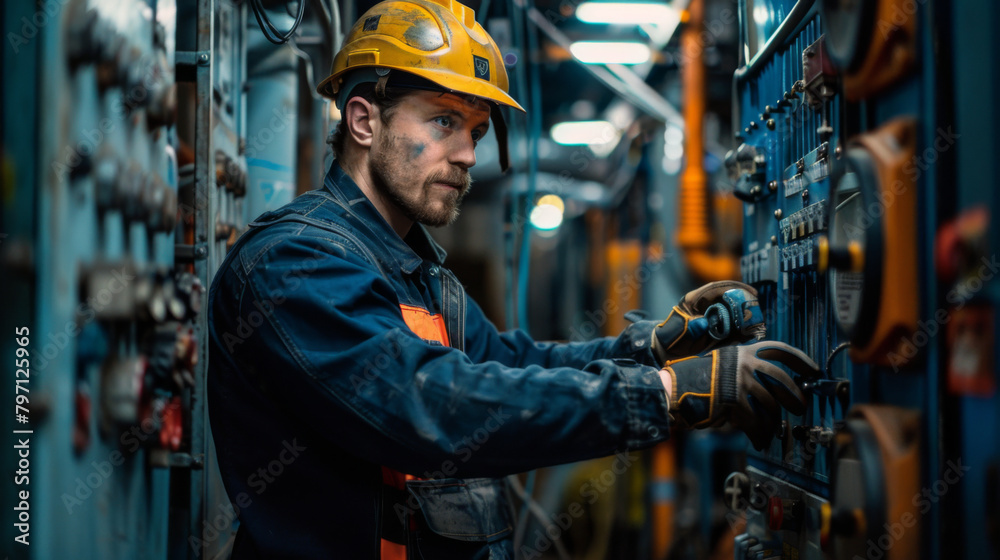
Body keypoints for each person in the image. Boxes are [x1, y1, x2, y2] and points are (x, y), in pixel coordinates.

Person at [206, 0, 820, 557]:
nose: (469, 155)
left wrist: (649, 348)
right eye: (443, 122)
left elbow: (509, 364)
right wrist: (661, 393)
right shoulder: (295, 262)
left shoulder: (415, 270)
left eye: (474, 132)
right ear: (364, 122)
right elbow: (435, 408)